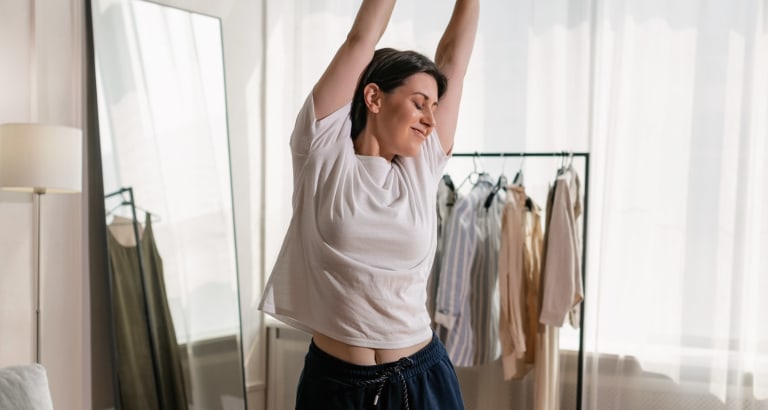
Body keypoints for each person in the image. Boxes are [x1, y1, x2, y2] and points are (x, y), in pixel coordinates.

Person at [259, 1, 479, 408]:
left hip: (423, 380)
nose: (431, 120)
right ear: (374, 97)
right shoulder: (322, 150)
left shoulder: (422, 166)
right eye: (419, 103)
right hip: (336, 388)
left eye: (435, 107)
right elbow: (361, 39)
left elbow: (454, 61)